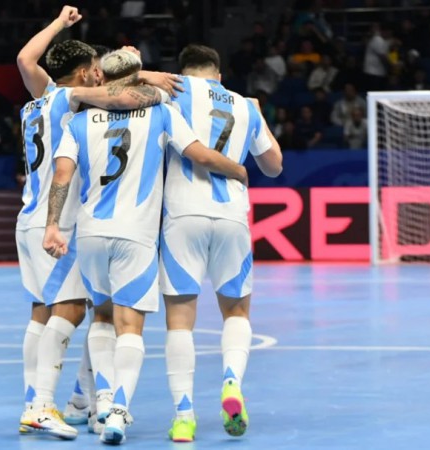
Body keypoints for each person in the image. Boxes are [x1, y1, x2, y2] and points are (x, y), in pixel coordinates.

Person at [43, 49, 249, 445]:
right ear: (141, 76)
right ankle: (118, 411)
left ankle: (100, 403)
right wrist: (238, 170)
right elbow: (198, 155)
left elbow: (62, 175)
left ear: (99, 77)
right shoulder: (161, 112)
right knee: (130, 327)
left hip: (89, 234)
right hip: (136, 235)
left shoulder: (78, 121)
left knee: (100, 317)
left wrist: (53, 225)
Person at [14, 6, 170, 440]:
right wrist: (146, 75)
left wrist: (59, 25)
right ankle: (40, 403)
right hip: (58, 220)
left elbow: (25, 60)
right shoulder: (70, 98)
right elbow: (122, 97)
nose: (99, 77)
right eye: (94, 71)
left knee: (46, 312)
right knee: (71, 311)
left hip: (28, 216)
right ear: (84, 74)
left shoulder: (36, 102)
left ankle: (65, 399)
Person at [160, 44, 283, 442]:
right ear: (219, 73)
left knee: (180, 319)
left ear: (183, 71)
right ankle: (231, 382)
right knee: (236, 312)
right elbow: (274, 165)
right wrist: (257, 115)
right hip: (231, 215)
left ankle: (184, 416)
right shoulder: (246, 105)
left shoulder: (173, 91)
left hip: (183, 213)